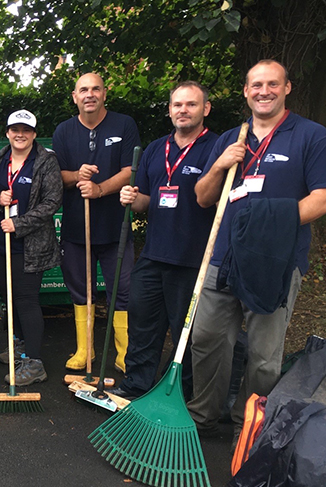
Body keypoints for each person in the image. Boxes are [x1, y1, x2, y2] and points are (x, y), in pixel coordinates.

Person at [188, 60, 326, 436]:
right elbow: (203, 198)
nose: (264, 91)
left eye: (273, 84)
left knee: (263, 356)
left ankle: (251, 424)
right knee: (206, 339)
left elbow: (325, 198)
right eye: (256, 84)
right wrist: (217, 167)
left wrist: (269, 228)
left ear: (287, 87)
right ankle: (201, 418)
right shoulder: (230, 138)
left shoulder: (310, 135)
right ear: (245, 91)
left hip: (275, 261)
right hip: (222, 257)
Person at [108, 82, 219, 400]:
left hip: (193, 258)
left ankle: (179, 394)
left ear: (205, 109)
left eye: (191, 104)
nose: (183, 110)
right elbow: (145, 201)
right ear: (170, 109)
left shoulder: (215, 147)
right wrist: (131, 197)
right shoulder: (156, 149)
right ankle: (137, 385)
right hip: (154, 254)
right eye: (177, 105)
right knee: (142, 323)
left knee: (188, 333)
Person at [53, 73, 140, 373]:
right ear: (74, 96)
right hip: (78, 228)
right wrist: (78, 176)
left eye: (95, 89)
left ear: (105, 93)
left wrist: (101, 189)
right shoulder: (64, 131)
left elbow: (131, 169)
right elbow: (58, 176)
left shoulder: (124, 124)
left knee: (123, 288)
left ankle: (124, 354)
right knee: (81, 289)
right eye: (83, 90)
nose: (90, 94)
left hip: (115, 226)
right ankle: (84, 351)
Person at [0, 110, 62, 385]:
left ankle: (34, 362)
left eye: (26, 130)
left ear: (34, 134)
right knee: (9, 298)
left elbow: (52, 202)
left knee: (26, 300)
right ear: (7, 132)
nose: (20, 134)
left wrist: (20, 223)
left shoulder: (46, 162)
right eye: (15, 129)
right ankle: (19, 346)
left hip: (30, 245)